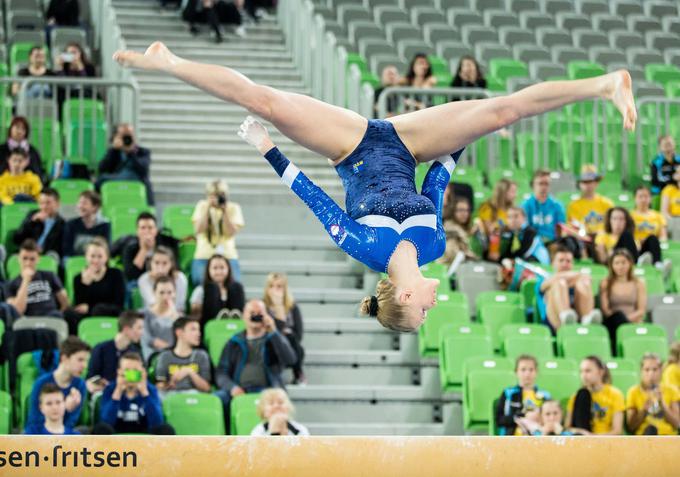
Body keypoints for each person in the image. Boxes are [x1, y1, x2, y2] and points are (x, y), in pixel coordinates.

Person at [114, 41, 636, 332]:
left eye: (423, 309)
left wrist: (267, 149)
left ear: (404, 294)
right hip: (410, 145)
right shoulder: (432, 246)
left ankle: (169, 62)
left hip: (351, 145)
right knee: (501, 108)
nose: (433, 304)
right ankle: (605, 84)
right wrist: (468, 135)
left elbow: (316, 201)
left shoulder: (368, 248)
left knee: (265, 103)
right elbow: (437, 184)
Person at [214, 299, 297, 432]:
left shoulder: (273, 338)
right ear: (244, 316)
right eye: (252, 313)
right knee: (217, 399)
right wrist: (232, 387)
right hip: (239, 389)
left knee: (278, 402)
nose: (255, 316)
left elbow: (290, 359)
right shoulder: (234, 342)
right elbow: (221, 372)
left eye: (260, 313)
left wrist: (274, 332)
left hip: (268, 390)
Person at [94, 351, 175, 434]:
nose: (131, 374)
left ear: (142, 371)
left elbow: (157, 421)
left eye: (135, 370)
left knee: (166, 429)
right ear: (119, 371)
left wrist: (144, 393)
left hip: (144, 430)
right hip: (117, 430)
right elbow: (105, 421)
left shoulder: (150, 389)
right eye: (127, 370)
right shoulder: (110, 389)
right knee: (100, 429)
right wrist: (118, 391)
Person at [26, 337, 90, 430]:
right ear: (64, 358)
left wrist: (67, 411)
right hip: (39, 434)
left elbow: (70, 424)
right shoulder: (41, 383)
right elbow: (34, 421)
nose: (85, 365)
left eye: (86, 361)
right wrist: (64, 409)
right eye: (80, 360)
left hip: (64, 435)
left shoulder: (80, 385)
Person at [66, 238, 126, 334]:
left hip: (110, 311)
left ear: (106, 257)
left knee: (98, 309)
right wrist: (85, 284)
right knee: (69, 314)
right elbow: (80, 305)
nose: (96, 260)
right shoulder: (78, 278)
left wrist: (91, 308)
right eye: (92, 256)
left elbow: (119, 303)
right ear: (86, 257)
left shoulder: (116, 274)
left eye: (100, 256)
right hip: (88, 314)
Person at [536, 245, 601, 332]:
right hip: (554, 323)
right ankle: (565, 316)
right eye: (561, 260)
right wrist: (579, 274)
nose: (564, 264)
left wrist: (579, 277)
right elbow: (554, 280)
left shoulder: (578, 280)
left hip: (577, 320)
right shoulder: (545, 280)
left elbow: (588, 278)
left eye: (568, 261)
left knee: (583, 283)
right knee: (559, 283)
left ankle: (587, 319)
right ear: (553, 263)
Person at [191, 179, 244, 285]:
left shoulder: (233, 208)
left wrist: (224, 211)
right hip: (204, 254)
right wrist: (207, 208)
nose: (216, 199)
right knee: (200, 281)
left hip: (228, 255)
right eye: (213, 195)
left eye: (220, 195)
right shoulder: (202, 205)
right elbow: (199, 230)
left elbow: (231, 232)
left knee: (234, 284)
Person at [599, 249, 647, 354]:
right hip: (612, 321)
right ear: (611, 265)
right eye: (617, 263)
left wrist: (626, 320)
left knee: (625, 320)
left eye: (623, 263)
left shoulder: (638, 283)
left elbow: (641, 310)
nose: (620, 266)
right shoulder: (606, 283)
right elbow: (606, 310)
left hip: (633, 320)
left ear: (630, 263)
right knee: (618, 316)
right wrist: (622, 320)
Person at [6, 239, 69, 317]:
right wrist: (25, 281)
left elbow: (65, 302)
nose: (28, 263)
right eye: (24, 258)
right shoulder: (10, 284)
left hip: (51, 316)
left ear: (38, 259)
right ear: (19, 259)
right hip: (27, 319)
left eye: (32, 259)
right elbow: (18, 311)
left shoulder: (50, 275)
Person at [86, 311, 145, 395]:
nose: (142, 333)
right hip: (104, 392)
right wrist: (98, 383)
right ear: (126, 329)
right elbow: (91, 376)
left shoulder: (136, 352)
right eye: (139, 328)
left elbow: (140, 376)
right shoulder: (101, 349)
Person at [263, 272, 306, 385]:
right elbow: (269, 330)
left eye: (279, 286)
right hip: (270, 343)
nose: (274, 290)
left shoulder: (293, 307)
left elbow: (299, 334)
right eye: (271, 286)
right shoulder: (263, 307)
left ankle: (298, 374)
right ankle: (278, 375)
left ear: (285, 289)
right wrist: (278, 308)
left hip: (290, 344)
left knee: (294, 342)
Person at [97, 123, 155, 206]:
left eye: (129, 135)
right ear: (117, 136)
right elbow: (101, 169)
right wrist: (114, 150)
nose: (126, 138)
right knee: (100, 180)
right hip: (117, 181)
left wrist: (131, 152)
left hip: (137, 181)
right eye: (123, 135)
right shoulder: (114, 152)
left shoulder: (142, 151)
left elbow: (143, 170)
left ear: (134, 136)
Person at [565, 356, 625, 435]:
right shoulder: (576, 396)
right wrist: (581, 432)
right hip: (583, 440)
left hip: (606, 441)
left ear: (600, 372)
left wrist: (593, 438)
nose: (584, 375)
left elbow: (617, 430)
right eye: (581, 372)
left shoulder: (615, 394)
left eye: (588, 371)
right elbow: (567, 427)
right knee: (583, 394)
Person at [495, 355, 551, 436]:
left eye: (531, 370)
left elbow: (551, 419)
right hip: (512, 439)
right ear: (516, 372)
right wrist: (522, 417)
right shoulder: (508, 393)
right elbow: (499, 420)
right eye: (523, 369)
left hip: (538, 438)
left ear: (536, 372)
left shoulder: (545, 396)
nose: (527, 374)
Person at [626, 353, 680, 435]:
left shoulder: (671, 390)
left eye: (655, 370)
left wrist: (662, 404)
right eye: (647, 370)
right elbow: (631, 427)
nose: (651, 374)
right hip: (643, 440)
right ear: (641, 371)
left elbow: (677, 424)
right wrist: (644, 410)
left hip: (668, 438)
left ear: (661, 371)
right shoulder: (633, 392)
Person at [155, 317, 211, 395]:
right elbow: (159, 386)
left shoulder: (201, 355)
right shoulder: (165, 356)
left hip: (195, 396)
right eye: (193, 329)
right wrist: (169, 384)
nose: (198, 333)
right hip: (172, 395)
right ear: (179, 333)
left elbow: (207, 388)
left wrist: (190, 372)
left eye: (198, 330)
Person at [121, 212, 178, 282]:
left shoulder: (168, 243)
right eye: (143, 228)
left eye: (150, 228)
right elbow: (130, 276)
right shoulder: (130, 246)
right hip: (139, 281)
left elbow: (175, 268)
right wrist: (144, 250)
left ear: (156, 230)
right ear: (137, 231)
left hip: (164, 279)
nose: (147, 231)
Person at [190, 254, 246, 324]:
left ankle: (235, 320)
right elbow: (194, 314)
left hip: (233, 326)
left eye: (222, 268)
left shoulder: (236, 288)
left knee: (236, 286)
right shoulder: (200, 290)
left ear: (228, 269)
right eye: (215, 268)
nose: (219, 272)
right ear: (208, 270)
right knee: (212, 287)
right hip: (210, 325)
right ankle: (219, 319)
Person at [13, 188, 65, 258]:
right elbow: (17, 239)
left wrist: (42, 250)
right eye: (41, 203)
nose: (44, 206)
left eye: (48, 203)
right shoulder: (32, 215)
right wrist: (31, 222)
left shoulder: (62, 224)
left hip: (47, 257)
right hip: (27, 253)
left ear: (57, 204)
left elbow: (60, 249)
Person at [567, 164, 614, 241]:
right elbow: (573, 227)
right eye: (584, 182)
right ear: (579, 184)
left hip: (604, 239)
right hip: (583, 239)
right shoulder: (573, 205)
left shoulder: (607, 203)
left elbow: (613, 226)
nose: (588, 185)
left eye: (590, 181)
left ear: (596, 183)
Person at [141, 276, 182, 362]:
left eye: (169, 292)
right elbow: (148, 339)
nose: (166, 297)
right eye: (161, 293)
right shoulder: (143, 314)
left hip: (175, 356)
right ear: (154, 293)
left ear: (175, 293)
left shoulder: (179, 317)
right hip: (153, 355)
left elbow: (184, 339)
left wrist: (176, 318)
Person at [62, 190, 110, 259]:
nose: (80, 206)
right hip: (74, 261)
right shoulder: (71, 224)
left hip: (95, 260)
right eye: (79, 203)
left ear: (95, 207)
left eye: (84, 203)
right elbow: (67, 250)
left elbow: (105, 249)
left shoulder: (104, 225)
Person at [137, 246, 188, 311]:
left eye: (165, 263)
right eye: (156, 263)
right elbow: (153, 304)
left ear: (171, 264)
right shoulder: (144, 279)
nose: (160, 268)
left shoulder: (180, 278)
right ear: (151, 263)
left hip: (175, 314)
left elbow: (179, 306)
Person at [522, 169, 566, 244]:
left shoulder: (557, 206)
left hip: (552, 243)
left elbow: (560, 230)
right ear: (533, 185)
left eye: (546, 184)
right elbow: (524, 231)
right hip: (532, 243)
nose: (544, 187)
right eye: (540, 184)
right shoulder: (525, 205)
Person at [478, 179, 517, 261]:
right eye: (512, 191)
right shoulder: (487, 207)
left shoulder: (512, 209)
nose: (515, 195)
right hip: (490, 247)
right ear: (503, 192)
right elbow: (489, 230)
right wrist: (506, 227)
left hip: (509, 245)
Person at [631, 185, 668, 267]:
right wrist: (638, 242)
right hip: (636, 247)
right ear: (635, 198)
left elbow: (663, 236)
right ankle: (639, 260)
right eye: (640, 196)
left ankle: (657, 263)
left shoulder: (658, 216)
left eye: (646, 196)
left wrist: (660, 241)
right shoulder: (630, 215)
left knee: (652, 238)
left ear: (650, 198)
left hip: (651, 245)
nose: (643, 199)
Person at [438, 195, 480, 265]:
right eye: (461, 210)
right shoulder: (450, 227)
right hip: (447, 266)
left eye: (467, 210)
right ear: (453, 211)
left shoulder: (463, 228)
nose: (465, 214)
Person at [182, 0, 247, 43]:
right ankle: (216, 30)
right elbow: (207, 5)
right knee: (209, 9)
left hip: (220, 11)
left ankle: (219, 29)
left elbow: (239, 4)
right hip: (199, 14)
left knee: (222, 5)